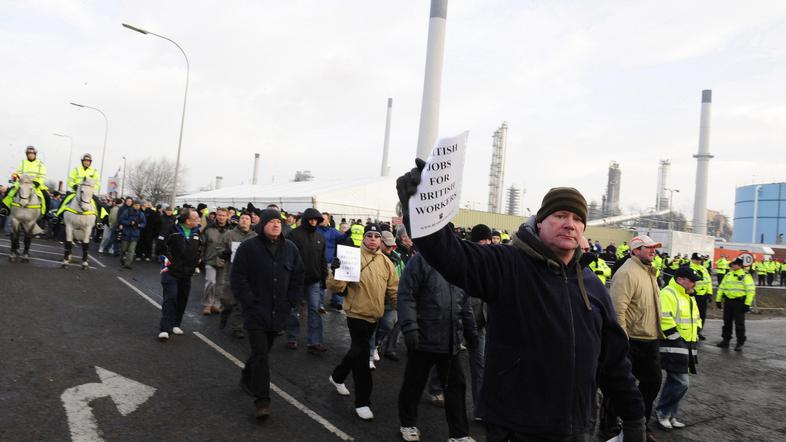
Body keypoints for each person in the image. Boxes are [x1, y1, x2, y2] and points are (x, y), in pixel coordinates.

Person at [396, 162, 645, 442]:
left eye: (577, 219)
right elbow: (448, 255)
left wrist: (634, 418)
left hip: (576, 427)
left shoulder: (592, 286)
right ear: (540, 222)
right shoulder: (507, 264)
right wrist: (420, 208)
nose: (569, 224)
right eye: (560, 215)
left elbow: (613, 361)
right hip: (516, 427)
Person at [231, 208, 304, 419]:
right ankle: (262, 401)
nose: (276, 225)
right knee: (262, 355)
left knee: (261, 352)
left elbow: (298, 276)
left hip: (278, 312)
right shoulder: (248, 248)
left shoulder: (290, 249)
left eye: (279, 222)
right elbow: (238, 277)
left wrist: (291, 300)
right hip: (256, 311)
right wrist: (248, 300)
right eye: (271, 222)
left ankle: (247, 375)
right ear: (262, 225)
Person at [397, 251, 477, 442]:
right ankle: (407, 424)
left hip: (450, 342)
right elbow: (406, 295)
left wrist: (470, 331)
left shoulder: (458, 262)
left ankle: (459, 434)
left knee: (456, 389)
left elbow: (464, 303)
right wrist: (409, 327)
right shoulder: (419, 261)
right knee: (413, 384)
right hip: (422, 338)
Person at [327, 224, 399, 421]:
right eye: (370, 235)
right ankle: (363, 402)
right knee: (362, 354)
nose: (373, 239)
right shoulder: (351, 257)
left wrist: (404, 310)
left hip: (374, 315)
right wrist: (335, 271)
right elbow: (336, 286)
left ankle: (338, 376)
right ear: (364, 238)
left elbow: (393, 290)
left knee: (356, 350)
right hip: (356, 314)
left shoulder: (386, 262)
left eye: (377, 236)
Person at [609, 235, 663, 438]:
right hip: (632, 340)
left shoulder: (649, 272)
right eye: (648, 248)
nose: (653, 251)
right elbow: (617, 309)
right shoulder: (627, 273)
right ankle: (611, 424)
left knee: (652, 382)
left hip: (650, 340)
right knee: (620, 386)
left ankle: (640, 422)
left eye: (654, 248)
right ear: (635, 250)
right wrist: (621, 341)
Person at [654, 266, 702, 431]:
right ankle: (663, 412)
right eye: (692, 280)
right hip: (674, 346)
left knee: (675, 381)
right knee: (682, 382)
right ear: (680, 279)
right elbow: (664, 318)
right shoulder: (668, 293)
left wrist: (695, 334)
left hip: (686, 345)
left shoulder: (688, 296)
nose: (695, 283)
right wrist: (677, 339)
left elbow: (696, 318)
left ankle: (670, 414)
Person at [285, 208, 328, 352]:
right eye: (311, 219)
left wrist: (324, 278)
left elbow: (322, 259)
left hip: (314, 281)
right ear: (305, 220)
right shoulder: (293, 235)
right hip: (296, 280)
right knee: (294, 310)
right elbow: (287, 258)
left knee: (315, 310)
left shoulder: (320, 238)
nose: (314, 222)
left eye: (316, 220)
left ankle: (314, 342)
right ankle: (291, 338)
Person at [158, 207, 202, 341]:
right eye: (196, 218)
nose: (198, 220)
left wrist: (196, 262)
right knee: (171, 297)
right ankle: (165, 328)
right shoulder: (171, 229)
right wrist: (168, 260)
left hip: (187, 272)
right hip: (171, 271)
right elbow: (161, 246)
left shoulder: (197, 232)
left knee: (182, 298)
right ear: (188, 221)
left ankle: (176, 324)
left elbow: (199, 249)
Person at [219, 212, 258, 338]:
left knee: (241, 302)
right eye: (242, 218)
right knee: (228, 301)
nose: (244, 220)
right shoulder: (229, 234)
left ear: (251, 222)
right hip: (231, 271)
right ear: (238, 220)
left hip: (247, 274)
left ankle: (237, 328)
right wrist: (225, 252)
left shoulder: (255, 236)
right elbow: (218, 249)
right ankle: (225, 312)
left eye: (247, 219)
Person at [370, 229, 405, 368]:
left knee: (388, 324)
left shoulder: (397, 258)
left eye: (393, 245)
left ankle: (376, 344)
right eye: (388, 245)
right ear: (380, 243)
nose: (391, 248)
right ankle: (370, 352)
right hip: (374, 298)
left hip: (390, 299)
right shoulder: (373, 257)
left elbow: (403, 275)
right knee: (372, 327)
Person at [716, 258, 756, 351]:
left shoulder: (745, 276)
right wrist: (718, 300)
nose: (732, 266)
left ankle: (740, 342)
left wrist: (747, 304)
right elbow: (721, 287)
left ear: (739, 265)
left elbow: (750, 291)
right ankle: (725, 340)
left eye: (734, 264)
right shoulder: (728, 275)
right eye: (732, 264)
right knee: (727, 322)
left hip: (739, 303)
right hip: (728, 302)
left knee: (739, 324)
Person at [1, 145, 50, 216]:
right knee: (10, 191)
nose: (30, 155)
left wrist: (37, 183)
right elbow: (19, 172)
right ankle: (5, 209)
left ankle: (46, 214)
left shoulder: (40, 164)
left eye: (31, 153)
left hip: (36, 184)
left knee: (47, 197)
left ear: (35, 154)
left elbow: (42, 176)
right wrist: (16, 176)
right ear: (26, 154)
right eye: (28, 153)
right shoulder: (23, 162)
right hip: (22, 183)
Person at [201, 208, 233, 316]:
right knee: (210, 282)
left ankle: (216, 304)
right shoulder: (208, 229)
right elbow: (203, 245)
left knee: (220, 284)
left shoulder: (231, 230)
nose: (221, 217)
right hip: (210, 259)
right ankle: (207, 304)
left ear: (227, 216)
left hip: (224, 261)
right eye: (220, 215)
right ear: (216, 216)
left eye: (224, 215)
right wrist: (201, 258)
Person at [688, 253, 712, 340]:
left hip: (703, 296)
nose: (698, 261)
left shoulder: (703, 269)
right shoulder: (689, 268)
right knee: (691, 315)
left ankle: (699, 331)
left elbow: (708, 281)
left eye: (699, 259)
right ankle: (691, 331)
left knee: (702, 315)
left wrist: (709, 293)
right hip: (693, 295)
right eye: (696, 259)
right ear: (692, 259)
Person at [118, 200, 146, 270]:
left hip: (135, 234)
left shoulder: (141, 214)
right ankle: (122, 258)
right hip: (126, 233)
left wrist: (139, 225)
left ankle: (127, 264)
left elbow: (144, 223)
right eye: (136, 205)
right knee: (124, 249)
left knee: (131, 250)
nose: (137, 206)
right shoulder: (127, 211)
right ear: (133, 205)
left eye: (139, 205)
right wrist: (130, 223)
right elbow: (121, 220)